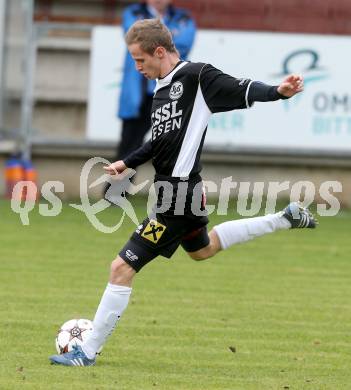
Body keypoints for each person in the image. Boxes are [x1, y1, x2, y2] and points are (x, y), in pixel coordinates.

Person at [50, 19, 317, 367]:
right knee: (203, 250)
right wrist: (128, 164)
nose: (137, 67)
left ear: (159, 51)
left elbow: (242, 88)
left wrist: (278, 91)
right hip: (179, 192)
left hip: (177, 197)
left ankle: (87, 352)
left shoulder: (196, 77)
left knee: (121, 268)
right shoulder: (161, 90)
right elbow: (161, 142)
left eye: (139, 60)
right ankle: (284, 218)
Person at [108, 0, 196, 196]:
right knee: (130, 143)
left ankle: (174, 195)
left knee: (169, 143)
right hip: (138, 93)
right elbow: (135, 39)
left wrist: (152, 38)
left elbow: (182, 44)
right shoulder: (133, 12)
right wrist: (163, 37)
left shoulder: (184, 18)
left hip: (169, 92)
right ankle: (115, 192)